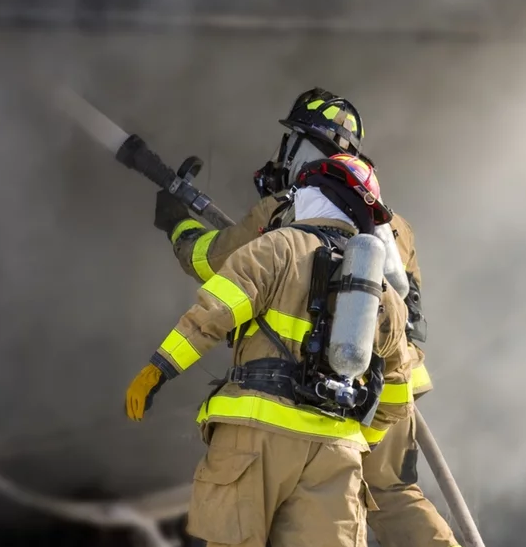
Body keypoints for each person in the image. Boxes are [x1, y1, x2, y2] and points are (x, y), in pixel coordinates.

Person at [153, 88, 459, 547]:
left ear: (304, 146)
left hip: (314, 395)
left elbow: (215, 264)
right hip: (394, 385)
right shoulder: (393, 226)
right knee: (397, 495)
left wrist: (178, 224)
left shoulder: (285, 210)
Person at [126, 154, 414, 547]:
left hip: (255, 440)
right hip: (336, 456)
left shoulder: (277, 247)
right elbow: (398, 395)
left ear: (315, 194)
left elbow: (215, 312)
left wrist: (159, 369)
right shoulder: (383, 295)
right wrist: (362, 439)